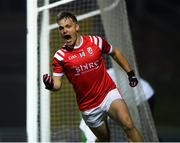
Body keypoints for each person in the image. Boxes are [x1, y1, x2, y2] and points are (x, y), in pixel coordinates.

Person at [43, 11, 143, 142]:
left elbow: (115, 52)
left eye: (68, 26)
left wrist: (130, 73)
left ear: (76, 27)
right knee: (105, 139)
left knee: (128, 125)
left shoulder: (95, 41)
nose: (65, 31)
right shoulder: (60, 56)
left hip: (108, 93)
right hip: (89, 106)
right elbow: (57, 84)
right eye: (61, 28)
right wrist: (50, 85)